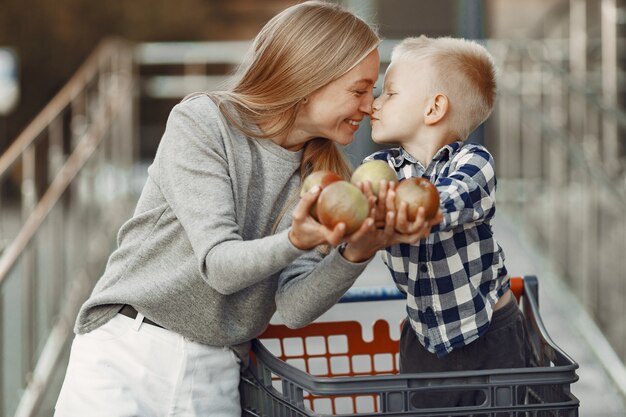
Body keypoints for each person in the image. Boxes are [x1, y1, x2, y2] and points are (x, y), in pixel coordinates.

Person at [54, 2, 434, 416]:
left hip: (215, 373)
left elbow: (293, 307)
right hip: (129, 353)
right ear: (309, 78)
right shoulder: (203, 122)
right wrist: (294, 239)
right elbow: (219, 266)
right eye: (358, 90)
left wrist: (357, 252)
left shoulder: (322, 179)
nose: (369, 106)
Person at [363, 35, 531, 409]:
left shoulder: (474, 162)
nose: (374, 103)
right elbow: (359, 210)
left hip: (492, 333)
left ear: (434, 107)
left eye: (390, 93)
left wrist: (406, 212)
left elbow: (451, 198)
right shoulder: (378, 170)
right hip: (424, 340)